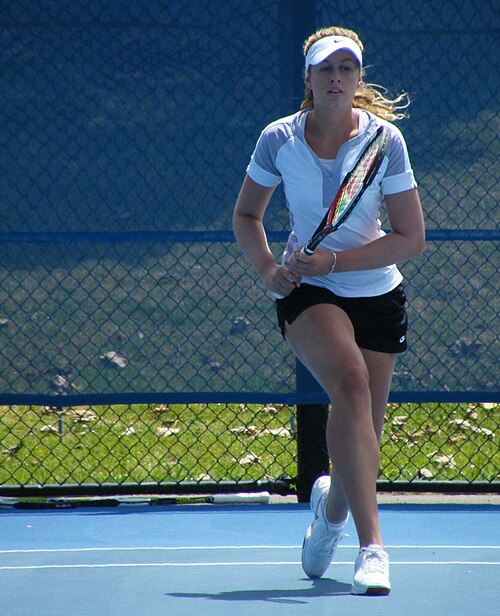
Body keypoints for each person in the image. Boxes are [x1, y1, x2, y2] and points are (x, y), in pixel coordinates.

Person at [232, 26, 425, 595]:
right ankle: (374, 548)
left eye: (347, 69)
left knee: (363, 432)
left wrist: (338, 264)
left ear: (358, 79)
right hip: (307, 293)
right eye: (325, 69)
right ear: (309, 81)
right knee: (351, 383)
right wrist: (271, 270)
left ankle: (332, 510)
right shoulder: (278, 139)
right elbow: (247, 217)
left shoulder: (385, 142)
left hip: (376, 292)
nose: (336, 78)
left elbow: (410, 238)